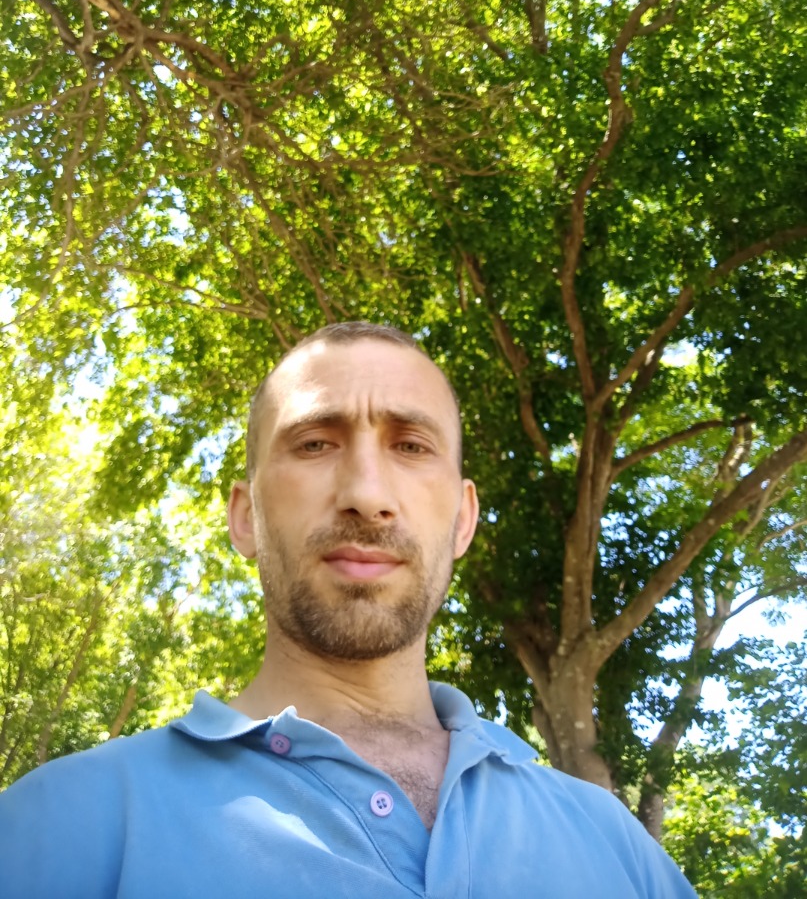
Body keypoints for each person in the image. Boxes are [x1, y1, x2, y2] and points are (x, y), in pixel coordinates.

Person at [0, 321, 696, 898]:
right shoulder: (55, 827)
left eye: (411, 446)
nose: (366, 493)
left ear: (463, 520)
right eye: (314, 444)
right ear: (244, 517)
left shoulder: (616, 846)